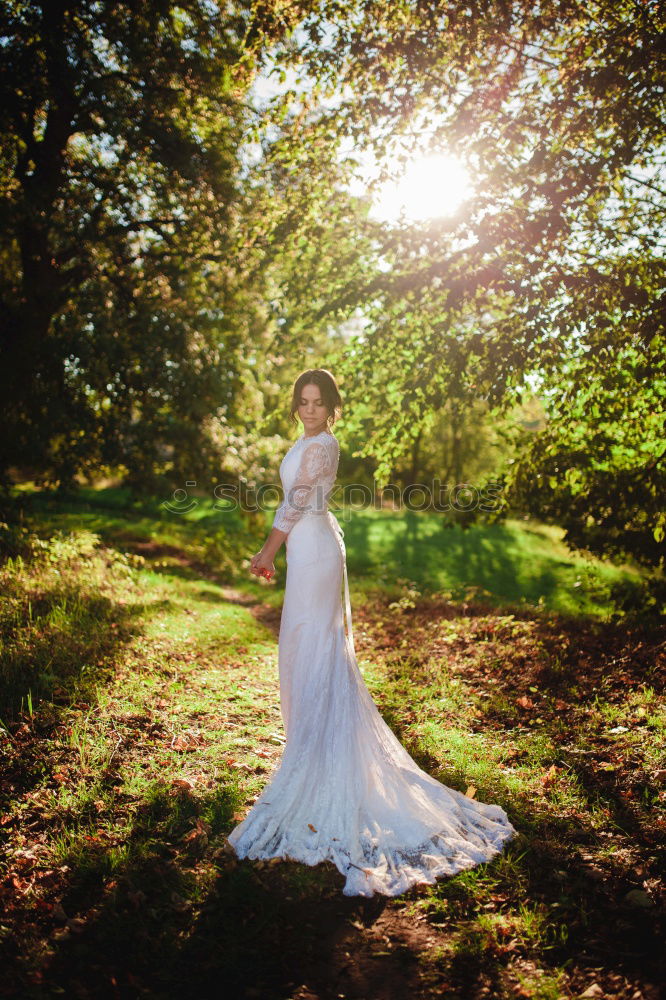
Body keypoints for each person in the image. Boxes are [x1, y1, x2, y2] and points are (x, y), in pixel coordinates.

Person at [226, 368, 517, 897]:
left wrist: (267, 550)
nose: (309, 409)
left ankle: (320, 761)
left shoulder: (324, 446)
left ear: (332, 406)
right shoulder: (302, 442)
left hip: (313, 551)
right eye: (303, 401)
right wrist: (274, 550)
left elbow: (297, 503)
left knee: (315, 647)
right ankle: (309, 750)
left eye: (318, 402)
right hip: (304, 549)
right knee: (301, 645)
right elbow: (286, 499)